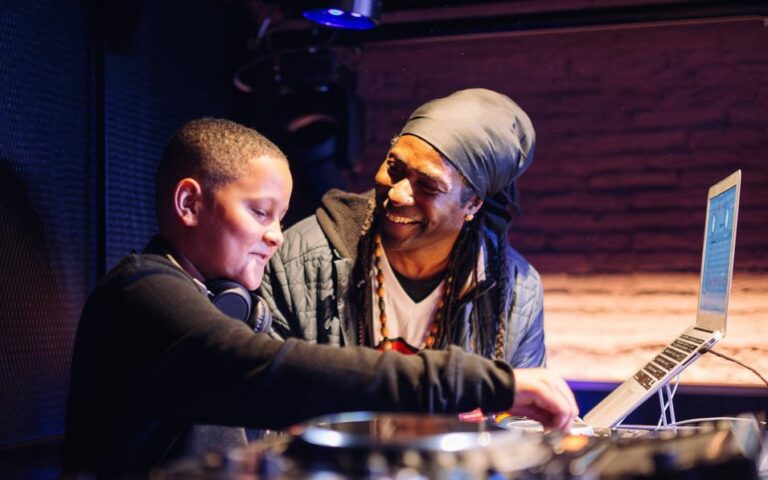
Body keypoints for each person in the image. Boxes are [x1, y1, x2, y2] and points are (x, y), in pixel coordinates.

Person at [62, 118, 576, 477]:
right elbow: (270, 372)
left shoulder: (226, 303)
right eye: (261, 213)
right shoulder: (142, 295)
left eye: (280, 218)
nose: (276, 237)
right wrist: (479, 381)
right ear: (189, 203)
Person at [260, 88, 544, 366]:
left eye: (428, 185)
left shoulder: (516, 293)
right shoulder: (299, 261)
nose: (397, 194)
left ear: (472, 204)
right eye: (394, 168)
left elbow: (522, 398)